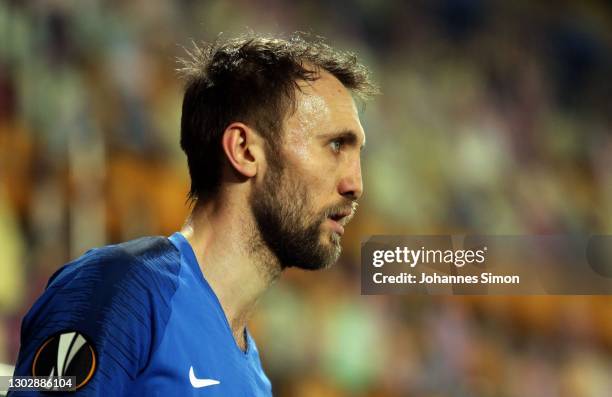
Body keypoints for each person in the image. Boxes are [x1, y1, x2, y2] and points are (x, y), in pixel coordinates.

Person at [11, 33, 377, 396]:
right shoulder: (123, 290)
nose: (355, 184)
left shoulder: (256, 383)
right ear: (245, 151)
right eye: (335, 146)